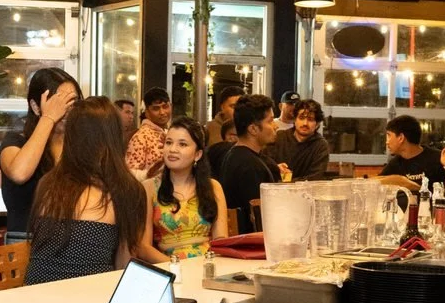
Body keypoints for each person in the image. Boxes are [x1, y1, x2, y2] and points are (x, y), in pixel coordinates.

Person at [25, 97, 147, 285]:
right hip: (90, 301)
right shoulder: (127, 190)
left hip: (34, 299)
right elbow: (125, 266)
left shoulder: (48, 182)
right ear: (114, 137)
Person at [0, 67, 80, 236]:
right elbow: (19, 173)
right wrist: (48, 118)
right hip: (25, 244)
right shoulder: (15, 141)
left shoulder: (79, 146)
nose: (65, 109)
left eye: (72, 102)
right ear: (36, 106)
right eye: (57, 102)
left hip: (70, 245)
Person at [136, 117, 228, 262]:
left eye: (182, 144)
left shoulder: (213, 187)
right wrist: (176, 267)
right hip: (169, 266)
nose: (172, 149)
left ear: (197, 154)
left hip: (208, 264)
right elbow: (143, 248)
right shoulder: (149, 188)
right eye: (169, 142)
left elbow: (221, 241)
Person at [217, 94, 280, 233]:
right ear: (253, 129)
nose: (275, 126)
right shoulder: (250, 165)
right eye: (270, 121)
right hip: (251, 245)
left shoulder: (236, 155)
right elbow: (258, 221)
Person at [268, 99, 330, 181]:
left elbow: (315, 178)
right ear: (295, 119)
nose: (305, 123)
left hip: (306, 192)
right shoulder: (279, 137)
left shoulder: (321, 145)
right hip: (274, 189)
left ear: (317, 124)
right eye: (301, 118)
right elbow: (264, 162)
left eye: (310, 119)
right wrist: (275, 167)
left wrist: (287, 183)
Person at [378, 114, 445, 188]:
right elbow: (377, 182)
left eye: (389, 135)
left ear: (401, 138)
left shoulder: (438, 158)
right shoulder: (395, 164)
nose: (387, 142)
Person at [125, 87, 172, 179]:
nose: (162, 112)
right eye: (156, 108)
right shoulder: (141, 137)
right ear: (147, 112)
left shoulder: (169, 133)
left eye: (165, 106)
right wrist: (150, 175)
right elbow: (129, 174)